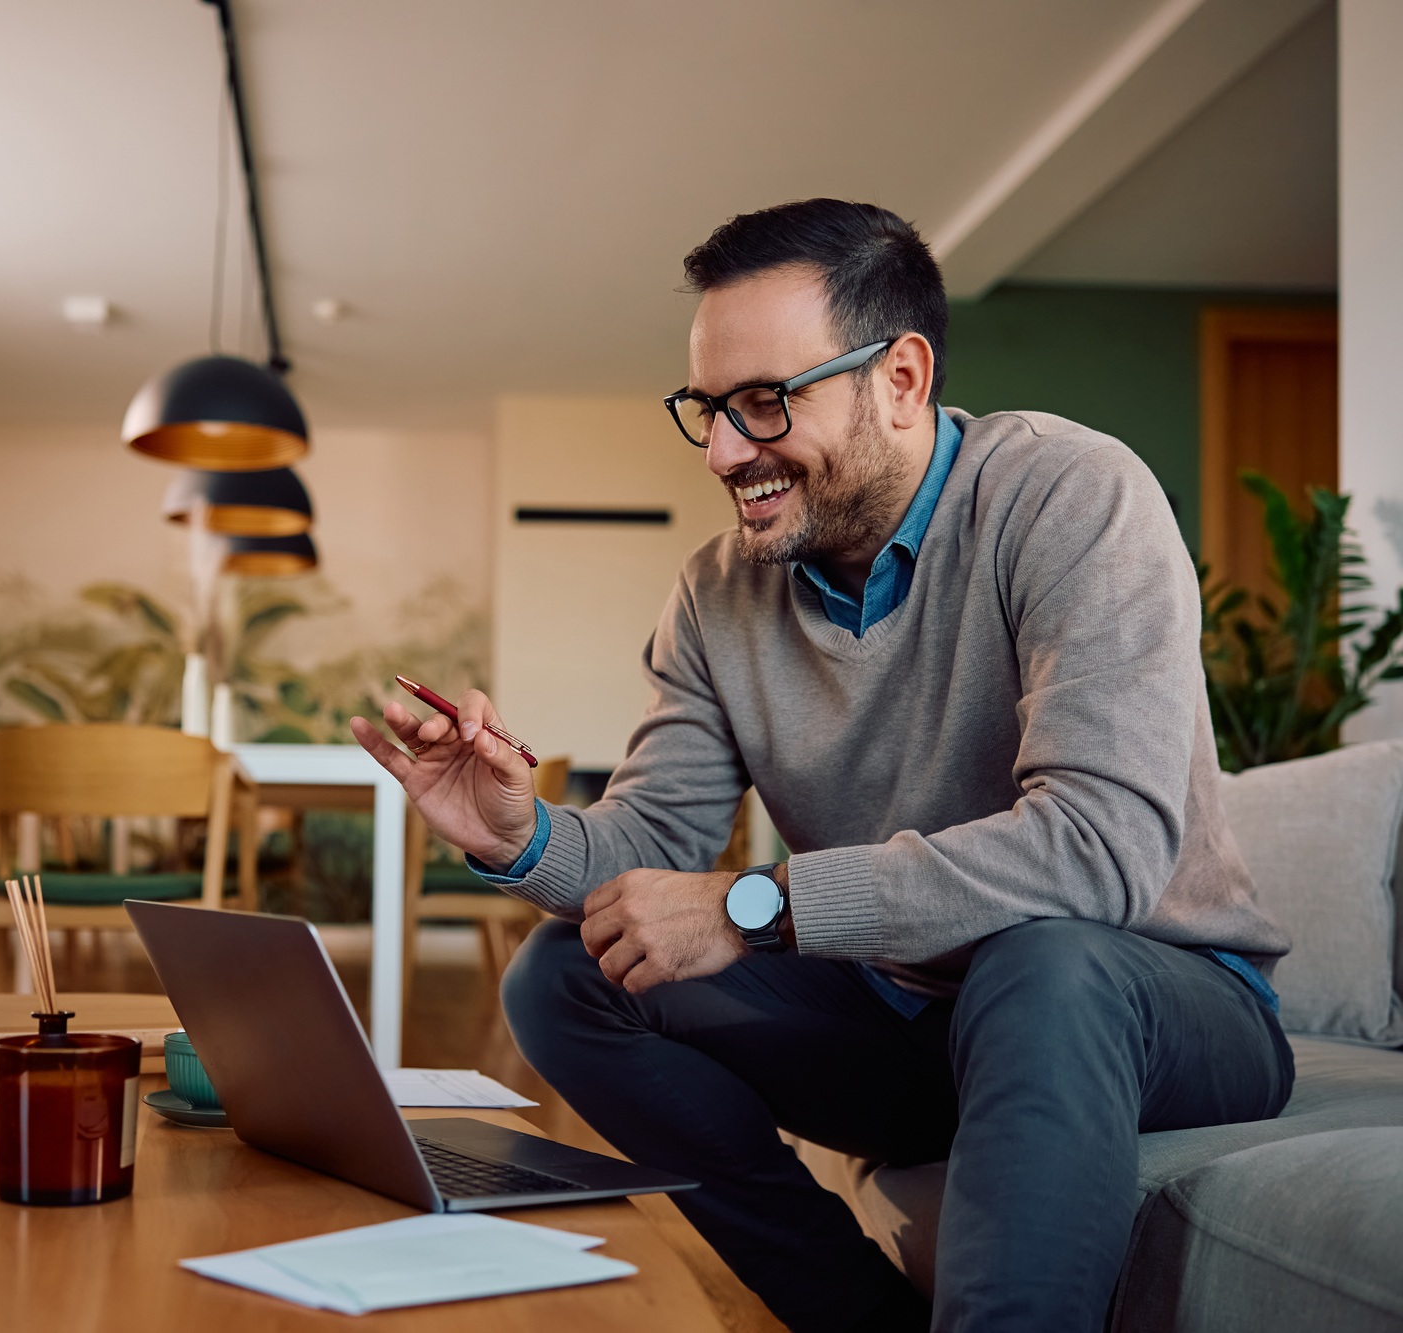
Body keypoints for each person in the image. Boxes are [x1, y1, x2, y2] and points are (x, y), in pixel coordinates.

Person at [349, 198, 1292, 1333]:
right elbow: (652, 847)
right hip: (911, 1022)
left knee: (1040, 962)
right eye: (705, 408)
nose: (722, 450)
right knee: (564, 975)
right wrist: (520, 833)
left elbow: (1097, 855)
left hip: (1156, 1006)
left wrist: (759, 907)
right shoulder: (715, 594)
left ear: (898, 378)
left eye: (763, 403)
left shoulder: (1069, 498)